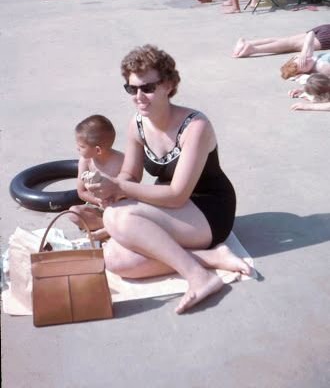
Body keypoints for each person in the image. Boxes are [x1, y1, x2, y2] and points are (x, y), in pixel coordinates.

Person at [86, 45, 251, 315]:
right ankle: (213, 258)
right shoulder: (138, 123)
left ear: (169, 85)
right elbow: (130, 175)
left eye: (148, 88)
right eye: (132, 89)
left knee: (118, 218)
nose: (139, 97)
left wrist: (119, 190)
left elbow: (177, 194)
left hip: (209, 210)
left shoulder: (195, 126)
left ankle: (199, 277)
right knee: (115, 259)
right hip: (173, 207)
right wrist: (110, 190)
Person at [67, 114, 124, 241]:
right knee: (73, 213)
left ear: (98, 150)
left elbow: (130, 188)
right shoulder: (85, 161)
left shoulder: (122, 161)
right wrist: (98, 201)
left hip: (120, 207)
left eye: (82, 146)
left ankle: (109, 229)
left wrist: (114, 200)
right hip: (98, 207)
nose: (77, 148)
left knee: (135, 212)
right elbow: (81, 192)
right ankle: (109, 227)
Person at [233, 24, 330, 58]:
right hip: (327, 36)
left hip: (326, 27)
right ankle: (254, 49)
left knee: (287, 40)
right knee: (291, 44)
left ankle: (248, 43)